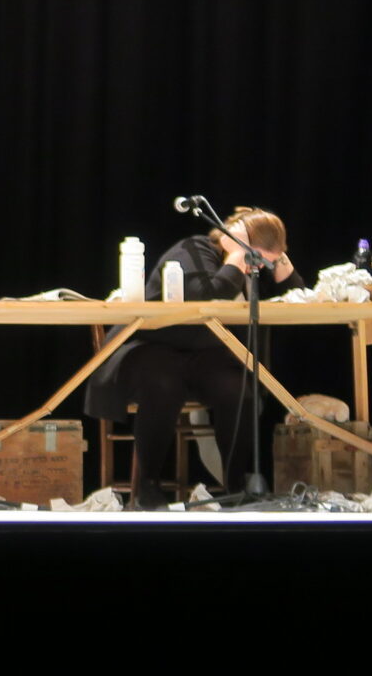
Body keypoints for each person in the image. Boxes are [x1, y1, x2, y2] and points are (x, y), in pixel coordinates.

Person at [84, 207, 308, 508]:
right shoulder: (194, 250)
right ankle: (148, 485)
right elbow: (204, 293)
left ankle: (236, 485)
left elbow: (299, 301)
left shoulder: (259, 266)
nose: (259, 265)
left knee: (238, 389)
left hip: (203, 354)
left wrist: (282, 266)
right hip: (152, 345)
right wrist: (235, 258)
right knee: (164, 384)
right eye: (257, 255)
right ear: (234, 239)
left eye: (266, 258)